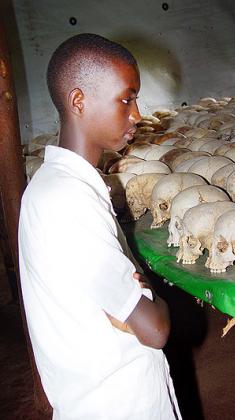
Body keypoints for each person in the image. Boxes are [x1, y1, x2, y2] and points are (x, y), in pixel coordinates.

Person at [18, 33, 181, 420]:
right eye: (127, 99)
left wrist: (139, 293)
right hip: (118, 404)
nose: (137, 114)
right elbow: (155, 330)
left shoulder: (58, 186)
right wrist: (154, 300)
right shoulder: (66, 200)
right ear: (79, 101)